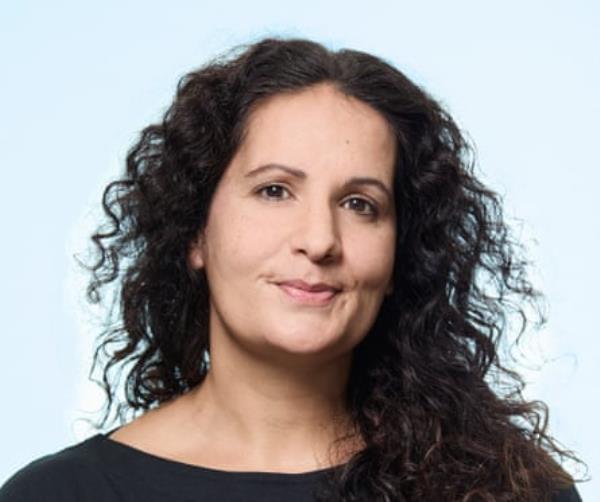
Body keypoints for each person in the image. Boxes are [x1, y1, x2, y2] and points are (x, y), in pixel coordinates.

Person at [0, 37, 584, 501]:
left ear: (402, 250)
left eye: (361, 205)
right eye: (275, 190)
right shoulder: (58, 495)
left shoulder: (512, 490)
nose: (319, 240)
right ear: (195, 231)